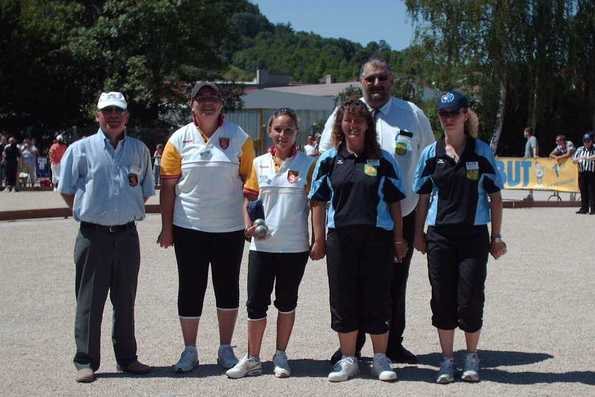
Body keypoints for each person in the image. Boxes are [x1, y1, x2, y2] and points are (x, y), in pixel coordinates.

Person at [319, 58, 434, 364]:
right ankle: (351, 346)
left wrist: (426, 212)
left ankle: (391, 344)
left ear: (391, 80)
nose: (376, 84)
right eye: (370, 79)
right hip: (350, 216)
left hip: (399, 215)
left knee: (395, 282)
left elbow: (429, 162)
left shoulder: (412, 114)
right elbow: (326, 156)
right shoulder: (344, 113)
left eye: (382, 78)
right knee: (350, 281)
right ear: (361, 82)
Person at [158, 82, 255, 373]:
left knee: (227, 288)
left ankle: (226, 349)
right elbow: (167, 187)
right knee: (190, 287)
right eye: (202, 98)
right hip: (189, 227)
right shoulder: (178, 139)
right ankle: (190, 350)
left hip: (229, 227)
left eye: (214, 97)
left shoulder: (239, 137)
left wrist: (250, 223)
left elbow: (250, 183)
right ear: (192, 105)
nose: (209, 103)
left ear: (222, 104)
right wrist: (166, 227)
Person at [58, 91, 155, 383]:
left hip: (127, 235)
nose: (113, 116)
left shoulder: (139, 150)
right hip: (93, 236)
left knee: (125, 300)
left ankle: (127, 358)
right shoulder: (80, 149)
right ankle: (85, 361)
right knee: (90, 301)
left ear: (126, 117)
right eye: (107, 111)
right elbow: (67, 189)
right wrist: (90, 211)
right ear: (97, 115)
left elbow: (146, 188)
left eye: (118, 111)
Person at [309, 100, 407, 382]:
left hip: (377, 237)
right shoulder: (329, 159)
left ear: (367, 125)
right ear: (341, 125)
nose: (353, 126)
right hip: (340, 238)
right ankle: (348, 359)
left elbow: (395, 203)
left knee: (377, 296)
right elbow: (317, 201)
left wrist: (399, 239)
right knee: (343, 297)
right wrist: (318, 240)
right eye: (348, 121)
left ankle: (380, 359)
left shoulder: (384, 159)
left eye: (358, 121)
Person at [413, 90, 506, 384]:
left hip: (473, 237)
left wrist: (497, 236)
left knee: (470, 299)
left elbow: (495, 197)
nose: (448, 118)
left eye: (454, 113)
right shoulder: (431, 154)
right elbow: (423, 198)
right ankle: (447, 359)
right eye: (443, 114)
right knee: (442, 298)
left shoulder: (481, 152)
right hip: (439, 236)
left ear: (465, 114)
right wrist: (417, 234)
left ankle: (471, 357)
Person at [226, 108, 315, 379]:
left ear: (297, 132)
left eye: (289, 130)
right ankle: (253, 358)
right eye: (278, 129)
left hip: (294, 247)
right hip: (262, 247)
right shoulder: (259, 163)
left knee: (287, 303)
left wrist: (317, 238)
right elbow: (249, 200)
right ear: (269, 131)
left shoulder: (308, 164)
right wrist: (247, 228)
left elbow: (316, 205)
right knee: (256, 305)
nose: (283, 135)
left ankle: (280, 355)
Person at [572, 132, 595, 214]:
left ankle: (593, 209)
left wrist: (587, 158)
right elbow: (573, 159)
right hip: (582, 172)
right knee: (583, 190)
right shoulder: (580, 149)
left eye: (588, 141)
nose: (586, 143)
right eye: (585, 141)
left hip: (592, 173)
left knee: (592, 191)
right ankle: (584, 208)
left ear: (592, 141)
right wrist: (577, 160)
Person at [523, 127, 539, 200]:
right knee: (529, 179)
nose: (524, 133)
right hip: (528, 162)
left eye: (525, 132)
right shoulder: (528, 140)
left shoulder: (532, 138)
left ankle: (531, 195)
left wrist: (535, 155)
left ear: (527, 132)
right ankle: (530, 195)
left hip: (531, 162)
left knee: (531, 178)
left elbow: (534, 147)